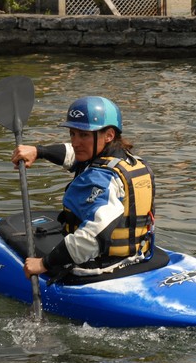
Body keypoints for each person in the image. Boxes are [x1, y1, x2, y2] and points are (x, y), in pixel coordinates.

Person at [12, 96, 155, 283]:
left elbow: (91, 239)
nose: (75, 142)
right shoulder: (129, 162)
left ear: (109, 135)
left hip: (98, 266)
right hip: (140, 254)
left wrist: (44, 264)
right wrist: (39, 151)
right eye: (73, 134)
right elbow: (73, 155)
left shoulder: (100, 179)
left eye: (84, 135)